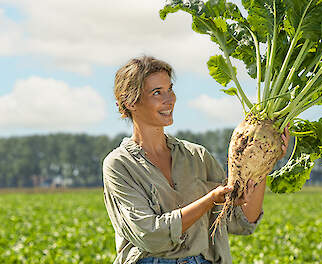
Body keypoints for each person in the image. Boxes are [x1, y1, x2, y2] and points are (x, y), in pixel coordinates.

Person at [102, 56, 289, 264]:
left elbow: (242, 222)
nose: (169, 99)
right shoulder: (119, 165)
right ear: (130, 102)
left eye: (170, 89)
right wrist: (210, 200)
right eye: (157, 92)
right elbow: (150, 236)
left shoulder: (196, 156)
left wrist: (262, 161)